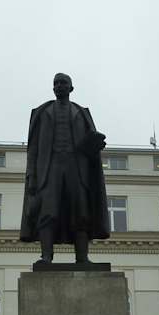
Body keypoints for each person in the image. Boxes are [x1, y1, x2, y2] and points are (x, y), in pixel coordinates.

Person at [19, 73, 110, 265]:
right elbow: (33, 149)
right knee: (48, 212)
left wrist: (95, 146)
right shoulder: (42, 113)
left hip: (77, 168)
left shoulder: (81, 113)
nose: (59, 86)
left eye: (63, 83)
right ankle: (46, 256)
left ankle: (82, 258)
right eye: (56, 83)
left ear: (71, 88)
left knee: (81, 212)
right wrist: (32, 177)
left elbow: (90, 141)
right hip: (49, 168)